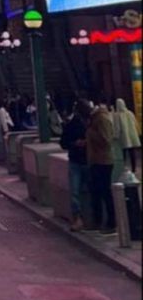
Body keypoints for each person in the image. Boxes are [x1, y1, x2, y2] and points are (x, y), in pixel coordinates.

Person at [60, 99, 90, 232]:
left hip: (81, 160)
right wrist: (76, 143)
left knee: (77, 191)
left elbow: (63, 142)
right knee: (79, 191)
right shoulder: (79, 124)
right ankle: (81, 218)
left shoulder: (90, 122)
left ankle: (82, 218)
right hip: (82, 160)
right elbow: (64, 142)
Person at [87, 103, 116, 234]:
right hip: (96, 160)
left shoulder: (102, 119)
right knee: (96, 192)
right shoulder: (96, 119)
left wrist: (91, 133)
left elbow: (107, 140)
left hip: (103, 161)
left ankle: (111, 222)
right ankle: (98, 221)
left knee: (105, 191)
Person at [112, 98, 141, 174]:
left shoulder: (117, 115)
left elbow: (117, 127)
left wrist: (115, 136)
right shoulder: (130, 113)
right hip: (131, 136)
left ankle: (123, 169)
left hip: (123, 137)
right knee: (132, 153)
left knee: (123, 154)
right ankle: (133, 169)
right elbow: (135, 123)